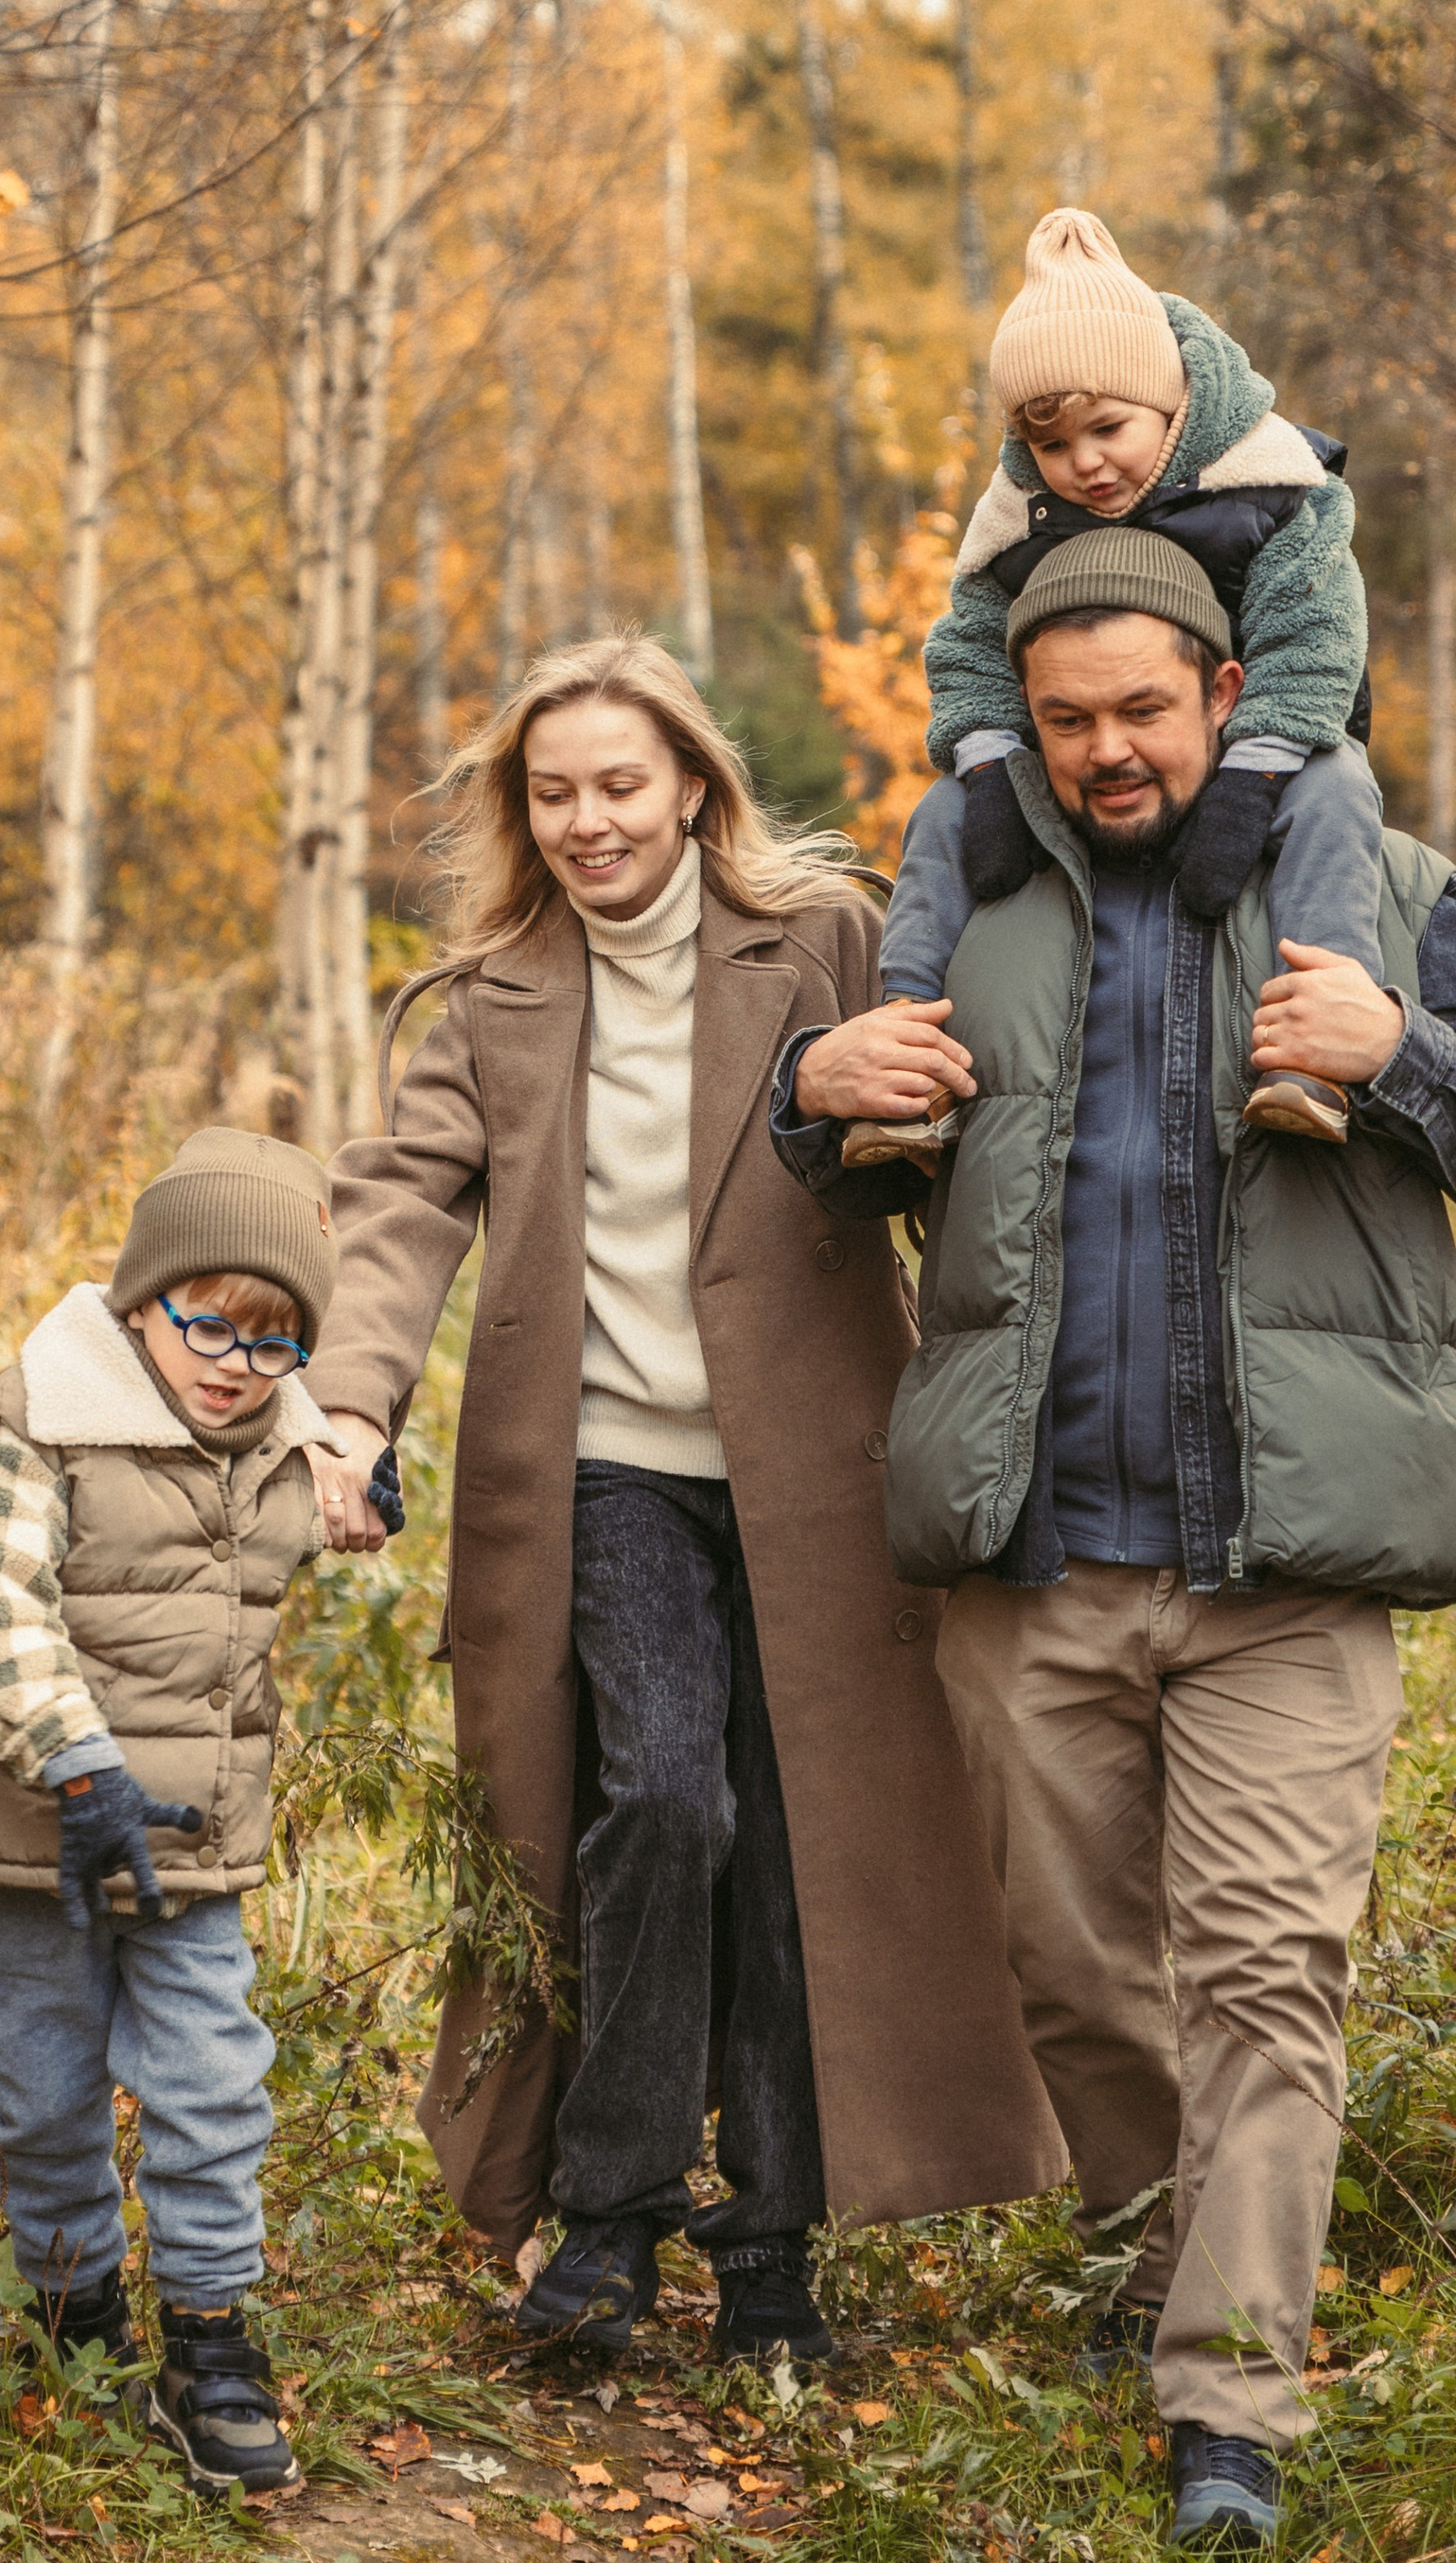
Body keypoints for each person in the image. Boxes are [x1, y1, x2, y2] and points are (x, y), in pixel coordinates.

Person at [770, 542, 1456, 2550]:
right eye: (1066, 718)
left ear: (1222, 693)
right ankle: (1155, 2260)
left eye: (1142, 707)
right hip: (1034, 1555)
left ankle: (1229, 2403)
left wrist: (1396, 1055)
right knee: (1071, 1975)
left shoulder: (1377, 888)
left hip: (1286, 1567)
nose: (1107, 748)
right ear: (1021, 724)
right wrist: (811, 1092)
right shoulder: (966, 905)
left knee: (1265, 1977)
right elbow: (839, 1170)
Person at [305, 633, 1061, 2365]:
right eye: (553, 794)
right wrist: (347, 1408)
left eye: (620, 786)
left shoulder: (829, 941)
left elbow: (960, 1135)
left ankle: (774, 2244)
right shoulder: (485, 1001)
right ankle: (613, 2213)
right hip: (603, 1471)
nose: (590, 823)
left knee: (805, 1840)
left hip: (821, 1475)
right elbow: (400, 1207)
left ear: (695, 789)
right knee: (660, 1799)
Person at [0, 1128, 341, 2498]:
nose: (235, 1363)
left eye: (273, 1340)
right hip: (35, 1827)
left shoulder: (280, 1438)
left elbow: (325, 1494)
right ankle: (76, 2312)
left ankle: (209, 2339)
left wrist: (358, 1484)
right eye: (207, 1322)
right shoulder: (38, 1430)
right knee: (44, 2096)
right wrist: (78, 1765)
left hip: (186, 1841)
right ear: (142, 1301)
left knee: (213, 2081)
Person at [855, 205, 1383, 1167]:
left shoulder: (1267, 485)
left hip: (1275, 729)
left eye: (1109, 429)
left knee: (1338, 787)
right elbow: (967, 644)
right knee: (938, 812)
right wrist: (988, 763)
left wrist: (1254, 775)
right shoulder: (1024, 511)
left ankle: (1318, 1046)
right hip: (1088, 765)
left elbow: (1315, 635)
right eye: (1055, 446)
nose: (1086, 464)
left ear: (1172, 405)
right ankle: (905, 1052)